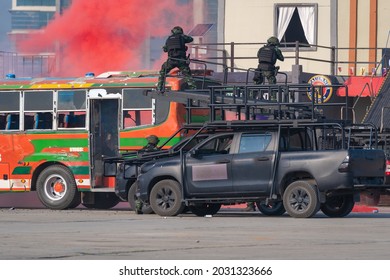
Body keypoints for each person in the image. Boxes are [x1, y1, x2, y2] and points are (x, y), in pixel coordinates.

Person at [156, 26, 196, 92]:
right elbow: (191, 39)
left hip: (171, 61)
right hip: (181, 60)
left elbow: (165, 49)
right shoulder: (182, 37)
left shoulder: (169, 39)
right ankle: (193, 89)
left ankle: (159, 88)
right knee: (187, 75)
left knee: (163, 71)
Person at [134, 135, 160, 214]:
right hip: (152, 172)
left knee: (139, 190)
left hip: (141, 172)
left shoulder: (143, 149)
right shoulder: (156, 150)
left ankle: (138, 208)